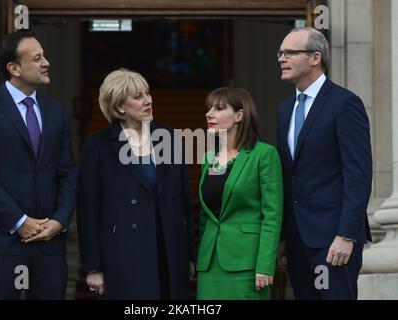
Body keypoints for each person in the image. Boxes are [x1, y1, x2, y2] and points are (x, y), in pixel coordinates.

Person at [0, 31, 77, 299]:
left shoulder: (55, 112)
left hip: (49, 246)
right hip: (2, 243)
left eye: (44, 56)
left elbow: (67, 172)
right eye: (37, 58)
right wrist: (19, 220)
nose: (46, 62)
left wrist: (59, 220)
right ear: (13, 68)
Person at [77, 68, 195, 300]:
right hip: (124, 252)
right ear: (120, 107)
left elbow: (183, 200)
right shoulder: (97, 146)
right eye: (138, 96)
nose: (148, 100)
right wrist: (93, 267)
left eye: (147, 93)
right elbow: (88, 210)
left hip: (169, 250)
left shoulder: (168, 136)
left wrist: (189, 255)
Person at [275, 27, 372, 300]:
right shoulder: (284, 109)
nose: (281, 58)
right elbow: (289, 175)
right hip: (297, 239)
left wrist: (346, 234)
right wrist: (284, 237)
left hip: (333, 239)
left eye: (290, 52)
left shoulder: (345, 104)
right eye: (280, 53)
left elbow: (358, 174)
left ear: (315, 57)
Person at [196, 87, 283, 300]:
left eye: (218, 108)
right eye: (208, 109)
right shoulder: (208, 159)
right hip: (209, 265)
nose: (209, 114)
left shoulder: (264, 154)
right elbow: (207, 216)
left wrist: (265, 264)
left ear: (239, 115)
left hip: (247, 263)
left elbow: (272, 214)